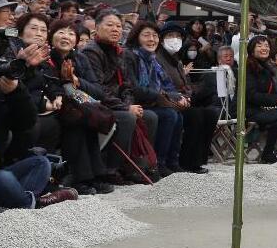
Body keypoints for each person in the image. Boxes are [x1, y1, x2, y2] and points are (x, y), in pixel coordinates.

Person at [0, 0, 77, 208]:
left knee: (40, 163)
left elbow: (26, 121)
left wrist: (17, 83)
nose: (11, 16)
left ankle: (21, 200)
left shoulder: (5, 49)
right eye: (5, 11)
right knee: (2, 179)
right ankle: (32, 202)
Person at [31, 18, 114, 194]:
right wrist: (63, 83)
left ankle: (96, 175)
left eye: (70, 33)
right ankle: (80, 177)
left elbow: (98, 91)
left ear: (76, 40)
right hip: (52, 105)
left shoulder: (80, 59)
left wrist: (76, 80)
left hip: (78, 105)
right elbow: (45, 85)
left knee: (86, 119)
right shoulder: (45, 57)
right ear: (51, 37)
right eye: (61, 32)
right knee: (76, 121)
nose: (66, 36)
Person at [81, 10, 158, 182]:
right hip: (98, 104)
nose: (115, 29)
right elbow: (99, 89)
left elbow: (127, 85)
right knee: (127, 117)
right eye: (109, 25)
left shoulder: (119, 51)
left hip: (117, 103)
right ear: (96, 28)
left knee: (149, 116)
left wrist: (129, 104)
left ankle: (140, 164)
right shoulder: (91, 52)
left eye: (118, 26)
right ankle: (112, 168)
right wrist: (125, 107)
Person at [123, 22, 184, 178]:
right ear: (137, 37)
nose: (152, 39)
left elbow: (166, 84)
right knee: (169, 115)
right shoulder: (130, 55)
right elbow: (134, 88)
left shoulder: (152, 59)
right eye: (146, 35)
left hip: (150, 101)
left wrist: (177, 96)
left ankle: (171, 161)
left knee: (177, 114)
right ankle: (157, 163)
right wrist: (161, 95)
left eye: (155, 36)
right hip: (134, 102)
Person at [156, 23, 217, 173]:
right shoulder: (158, 58)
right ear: (162, 39)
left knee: (211, 113)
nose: (175, 39)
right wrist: (179, 98)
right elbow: (162, 86)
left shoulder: (176, 61)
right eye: (170, 36)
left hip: (181, 100)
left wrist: (187, 96)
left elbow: (186, 84)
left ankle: (198, 159)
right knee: (196, 115)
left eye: (178, 36)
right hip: (167, 101)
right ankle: (185, 161)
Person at [246, 34, 277, 164]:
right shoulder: (248, 67)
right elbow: (251, 95)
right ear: (252, 50)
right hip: (247, 109)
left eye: (266, 45)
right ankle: (269, 153)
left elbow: (272, 92)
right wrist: (276, 101)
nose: (264, 48)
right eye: (259, 45)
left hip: (261, 108)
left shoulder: (266, 67)